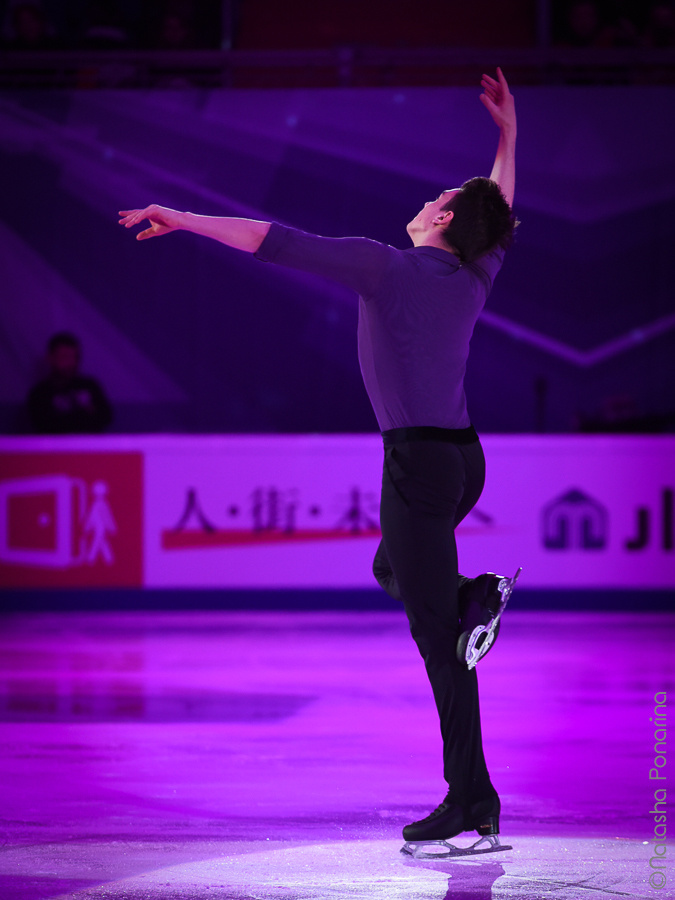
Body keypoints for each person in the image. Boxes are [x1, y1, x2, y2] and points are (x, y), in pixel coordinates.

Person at [119, 67, 519, 854]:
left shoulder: (388, 267)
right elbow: (501, 216)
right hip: (462, 465)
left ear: (441, 217)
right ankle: (474, 601)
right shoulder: (476, 272)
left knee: (436, 641)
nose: (423, 202)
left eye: (435, 199)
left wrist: (182, 216)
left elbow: (274, 240)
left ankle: (468, 798)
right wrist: (509, 137)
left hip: (417, 468)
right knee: (398, 575)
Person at [27, 332, 113, 434]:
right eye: (65, 357)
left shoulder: (90, 386)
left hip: (88, 447)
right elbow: (44, 424)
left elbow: (105, 417)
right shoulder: (40, 392)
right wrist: (84, 415)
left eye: (75, 357)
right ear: (50, 358)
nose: (71, 363)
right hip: (54, 448)